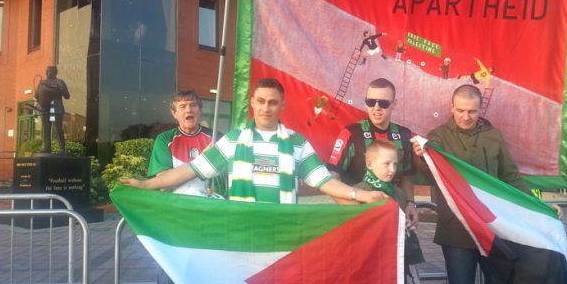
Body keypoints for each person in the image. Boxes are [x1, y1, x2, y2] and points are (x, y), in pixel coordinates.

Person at [413, 84, 561, 284]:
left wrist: (538, 206)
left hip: (495, 231)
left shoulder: (494, 137)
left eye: (472, 111)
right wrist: (423, 158)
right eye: (460, 111)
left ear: (481, 109)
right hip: (456, 233)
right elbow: (427, 174)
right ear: (451, 107)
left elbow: (511, 177)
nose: (466, 117)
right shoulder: (437, 139)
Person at [122, 78, 387, 206]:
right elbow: (190, 170)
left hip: (282, 233)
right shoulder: (234, 141)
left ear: (282, 105)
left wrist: (360, 194)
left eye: (273, 102)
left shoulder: (296, 142)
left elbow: (325, 182)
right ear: (252, 103)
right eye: (261, 101)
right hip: (242, 232)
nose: (266, 108)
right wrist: (146, 183)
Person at [327, 78, 421, 284]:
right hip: (360, 230)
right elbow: (331, 181)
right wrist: (354, 212)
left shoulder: (403, 135)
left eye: (383, 102)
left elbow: (405, 177)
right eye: (370, 101)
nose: (376, 108)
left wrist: (411, 204)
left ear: (394, 104)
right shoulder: (349, 133)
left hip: (398, 229)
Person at [148, 90, 219, 284]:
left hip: (208, 227)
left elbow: (225, 177)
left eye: (192, 105)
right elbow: (163, 177)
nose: (187, 110)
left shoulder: (216, 139)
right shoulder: (165, 140)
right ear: (173, 112)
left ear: (200, 109)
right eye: (181, 106)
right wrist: (203, 163)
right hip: (173, 227)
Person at [353, 139, 424, 284]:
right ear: (369, 164)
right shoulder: (360, 192)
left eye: (395, 164)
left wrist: (407, 224)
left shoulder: (399, 193)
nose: (392, 170)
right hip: (376, 263)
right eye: (386, 164)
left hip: (404, 256)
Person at [35, 65, 70, 153]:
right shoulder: (42, 83)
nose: (46, 72)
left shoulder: (60, 82)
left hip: (56, 109)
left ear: (54, 72)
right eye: (46, 71)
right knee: (46, 129)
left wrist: (61, 91)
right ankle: (47, 148)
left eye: (48, 71)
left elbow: (67, 96)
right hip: (44, 109)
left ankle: (62, 148)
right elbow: (36, 96)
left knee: (58, 128)